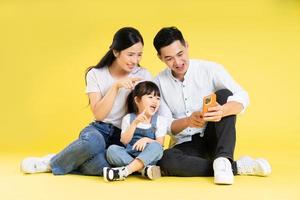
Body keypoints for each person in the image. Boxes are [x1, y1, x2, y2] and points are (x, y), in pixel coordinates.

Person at [20, 27, 152, 176]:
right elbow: (100, 114)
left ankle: (65, 158)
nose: (135, 60)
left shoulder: (143, 75)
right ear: (116, 52)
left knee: (101, 165)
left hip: (123, 137)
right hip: (100, 130)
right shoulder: (95, 74)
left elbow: (149, 114)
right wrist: (116, 86)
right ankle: (51, 163)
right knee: (92, 143)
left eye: (139, 55)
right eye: (130, 55)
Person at [153, 26, 271, 185]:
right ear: (160, 57)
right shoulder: (158, 83)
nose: (178, 62)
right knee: (166, 161)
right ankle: (236, 166)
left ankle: (223, 158)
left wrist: (222, 111)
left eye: (180, 54)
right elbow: (166, 126)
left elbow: (243, 96)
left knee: (224, 94)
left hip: (214, 137)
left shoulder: (210, 69)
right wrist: (188, 121)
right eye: (169, 58)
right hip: (186, 146)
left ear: (186, 45)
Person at [103, 81, 167, 181]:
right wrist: (134, 123)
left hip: (149, 158)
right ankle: (143, 170)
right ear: (137, 100)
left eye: (158, 98)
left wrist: (146, 139)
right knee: (112, 150)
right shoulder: (128, 118)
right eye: (150, 97)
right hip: (130, 154)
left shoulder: (160, 120)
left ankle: (125, 171)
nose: (155, 101)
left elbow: (160, 144)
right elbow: (124, 141)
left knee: (156, 147)